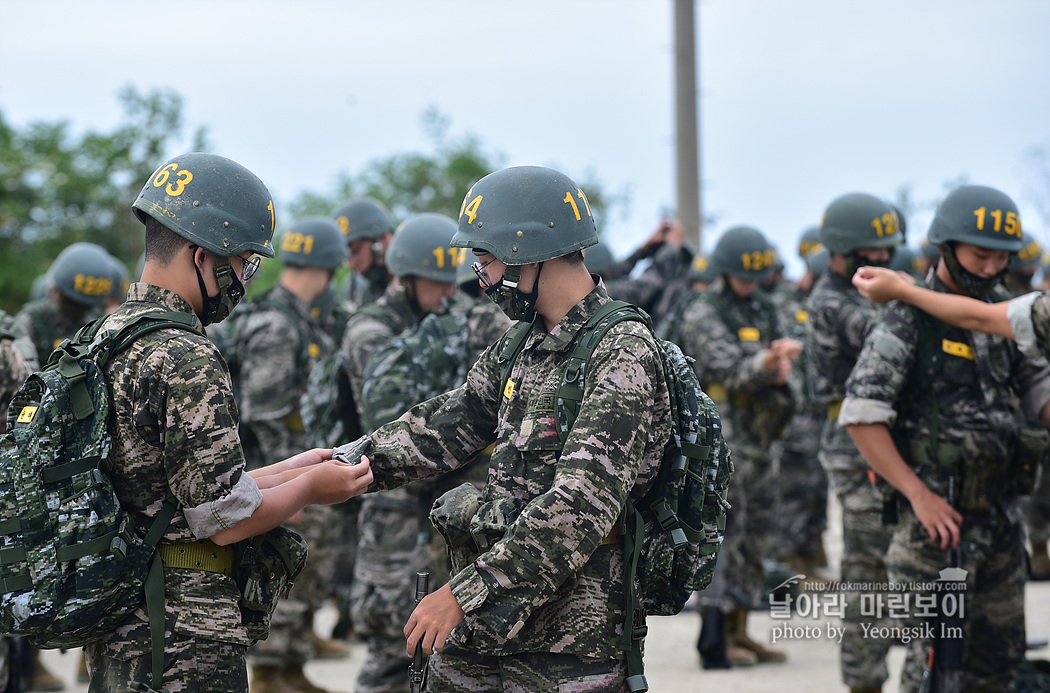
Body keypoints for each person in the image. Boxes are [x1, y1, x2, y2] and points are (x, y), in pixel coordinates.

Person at [335, 165, 672, 691]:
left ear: (531, 251)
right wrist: (343, 465)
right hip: (492, 629)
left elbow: (582, 505)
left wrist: (463, 593)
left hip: (568, 647)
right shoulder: (522, 344)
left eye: (485, 258)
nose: (479, 277)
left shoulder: (620, 352)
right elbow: (449, 422)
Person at [84, 152, 373, 693]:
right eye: (243, 263)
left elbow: (174, 492)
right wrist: (311, 488)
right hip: (183, 630)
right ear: (201, 256)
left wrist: (288, 470)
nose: (244, 279)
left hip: (124, 617)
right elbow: (226, 521)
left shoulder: (107, 336)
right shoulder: (184, 355)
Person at [841, 184, 1050, 692]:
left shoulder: (1007, 312)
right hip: (938, 529)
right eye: (979, 255)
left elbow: (1038, 396)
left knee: (998, 665)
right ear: (945, 246)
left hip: (1000, 519)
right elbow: (862, 416)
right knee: (936, 666)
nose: (989, 268)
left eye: (1000, 258)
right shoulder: (906, 316)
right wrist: (919, 496)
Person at [342, 213, 462, 693]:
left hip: (435, 504)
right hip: (393, 507)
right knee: (392, 648)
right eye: (438, 283)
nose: (448, 293)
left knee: (439, 653)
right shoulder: (371, 331)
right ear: (407, 277)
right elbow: (391, 419)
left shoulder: (439, 323)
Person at [677, 225, 800, 668]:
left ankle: (741, 629)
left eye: (757, 277)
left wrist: (780, 366)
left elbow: (779, 361)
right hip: (721, 439)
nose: (751, 284)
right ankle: (715, 635)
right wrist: (768, 363)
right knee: (721, 537)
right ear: (726, 273)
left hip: (761, 437)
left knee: (757, 532)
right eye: (744, 277)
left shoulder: (764, 308)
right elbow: (728, 370)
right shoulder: (704, 312)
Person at [237, 217, 351, 693]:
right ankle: (269, 673)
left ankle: (288, 667)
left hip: (294, 468)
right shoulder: (278, 324)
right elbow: (263, 415)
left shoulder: (298, 318)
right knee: (279, 569)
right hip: (280, 474)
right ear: (326, 267)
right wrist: (288, 490)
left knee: (303, 570)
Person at [804, 192, 903, 693]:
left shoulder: (867, 290)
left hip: (888, 444)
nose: (883, 259)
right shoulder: (833, 302)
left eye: (888, 250)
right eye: (871, 252)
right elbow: (890, 330)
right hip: (854, 449)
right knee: (869, 575)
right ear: (841, 252)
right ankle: (864, 681)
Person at [15, 241, 113, 361]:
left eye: (85, 306)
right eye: (73, 303)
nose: (79, 310)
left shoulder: (97, 322)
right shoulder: (32, 322)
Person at [332, 197, 396, 309]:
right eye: (346, 257)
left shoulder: (418, 279)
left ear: (383, 239)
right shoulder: (355, 289)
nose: (351, 263)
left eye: (355, 251)